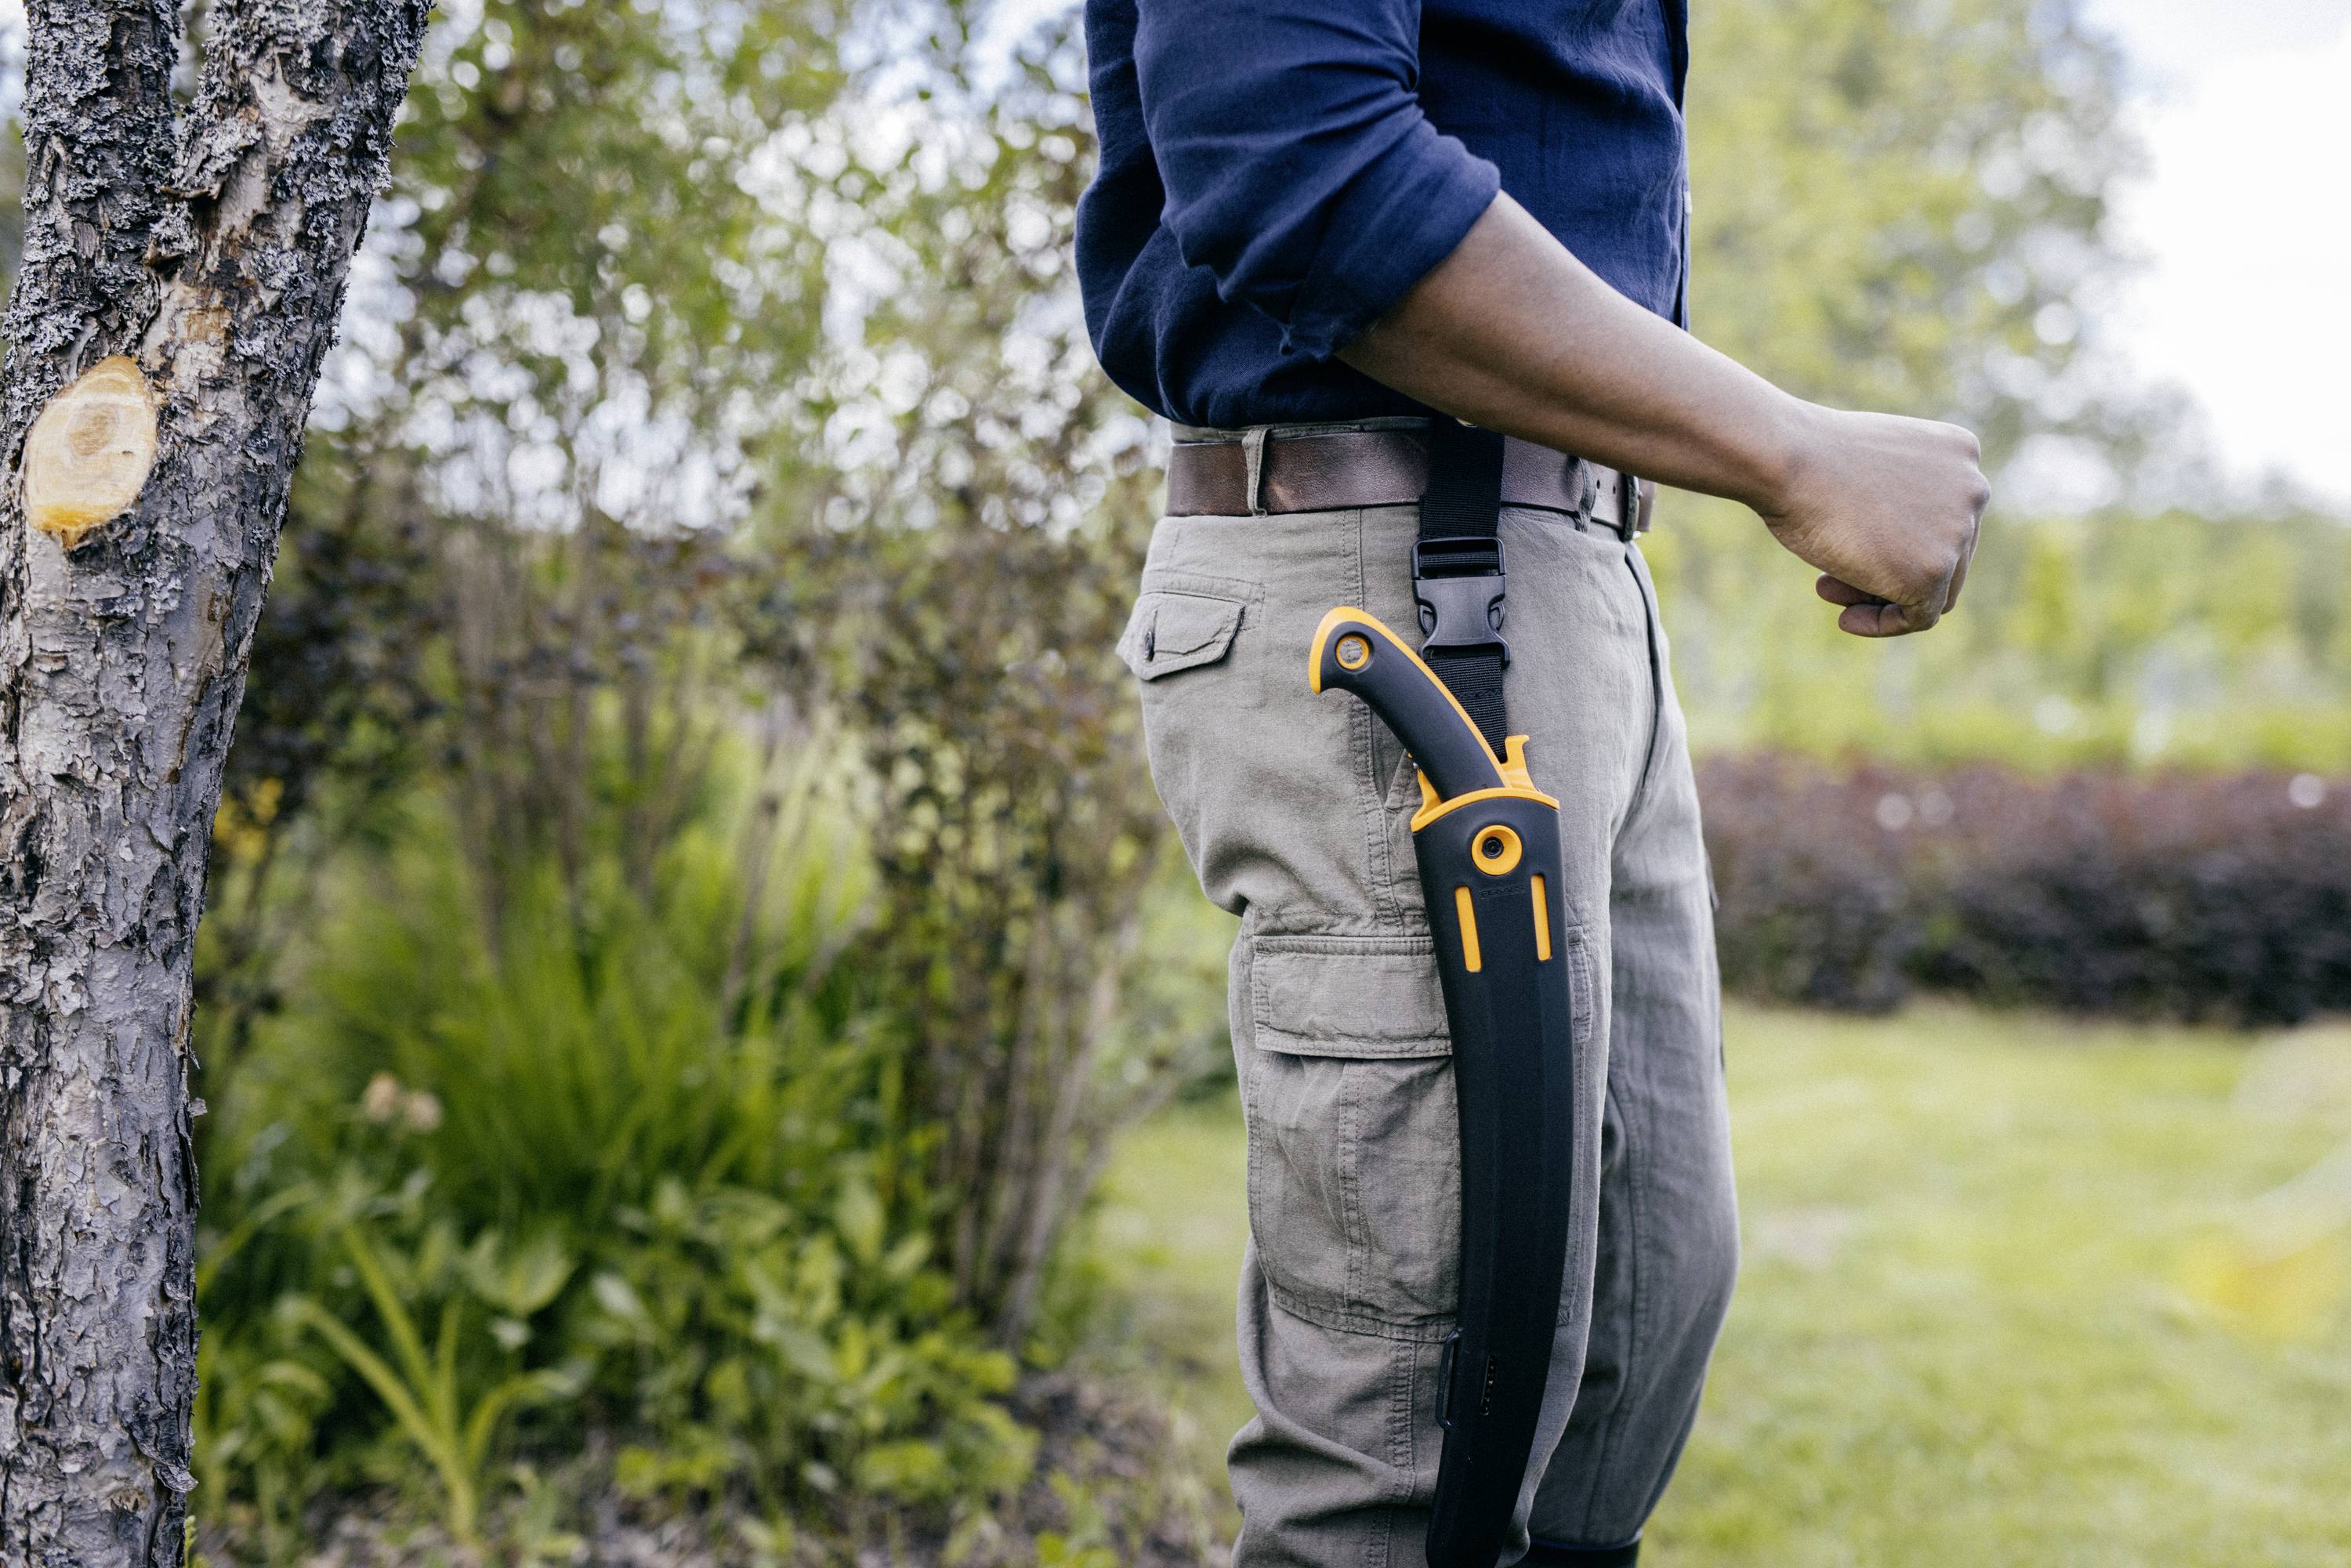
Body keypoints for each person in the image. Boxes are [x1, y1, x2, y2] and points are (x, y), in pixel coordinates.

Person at [1075, 2, 1990, 1563]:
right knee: (1417, 1428)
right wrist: (1788, 449)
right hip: (1391, 566)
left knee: (1624, 1343)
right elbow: (1300, 164)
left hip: (1562, 563)